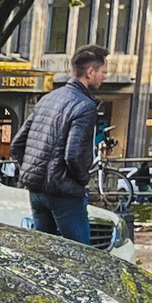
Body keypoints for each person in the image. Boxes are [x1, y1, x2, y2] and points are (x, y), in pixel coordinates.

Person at [15, 46, 108, 242]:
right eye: (103, 72)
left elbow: (18, 144)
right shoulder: (85, 105)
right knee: (80, 253)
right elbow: (74, 154)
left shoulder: (47, 99)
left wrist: (33, 172)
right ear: (90, 72)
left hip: (37, 191)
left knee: (44, 254)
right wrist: (82, 181)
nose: (104, 77)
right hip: (65, 191)